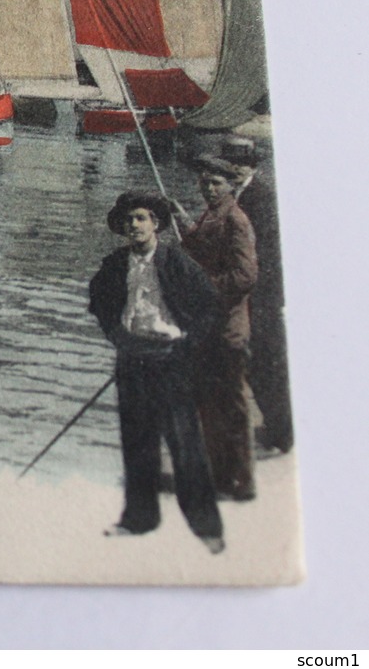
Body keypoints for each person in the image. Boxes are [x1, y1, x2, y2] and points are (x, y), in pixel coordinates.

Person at [88, 191, 226, 553]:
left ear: (156, 224)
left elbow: (210, 304)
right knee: (137, 441)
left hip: (169, 360)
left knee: (184, 443)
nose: (134, 225)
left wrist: (188, 342)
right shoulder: (116, 264)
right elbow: (97, 299)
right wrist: (116, 335)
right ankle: (139, 520)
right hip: (132, 358)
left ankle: (206, 528)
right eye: (129, 220)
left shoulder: (177, 262)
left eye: (141, 218)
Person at [180, 156, 260, 500]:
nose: (209, 189)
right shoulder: (212, 215)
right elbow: (202, 246)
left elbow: (244, 276)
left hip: (227, 328)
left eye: (216, 183)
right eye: (205, 182)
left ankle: (242, 481)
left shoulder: (236, 220)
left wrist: (203, 288)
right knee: (209, 403)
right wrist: (182, 223)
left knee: (231, 405)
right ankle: (221, 477)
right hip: (210, 328)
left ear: (230, 184)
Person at [223, 135, 292, 453]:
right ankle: (276, 428)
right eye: (230, 163)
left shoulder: (260, 198)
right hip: (249, 293)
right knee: (254, 362)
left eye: (240, 163)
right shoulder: (237, 196)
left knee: (265, 362)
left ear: (251, 165)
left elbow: (263, 251)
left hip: (261, 295)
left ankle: (282, 432)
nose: (235, 168)